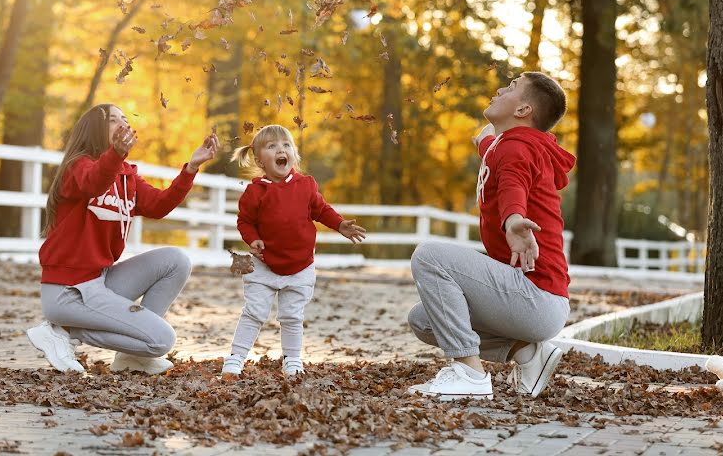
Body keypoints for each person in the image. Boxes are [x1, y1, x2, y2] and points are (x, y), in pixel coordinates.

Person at [407, 72, 576, 400]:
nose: (500, 89)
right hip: (536, 303)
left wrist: (514, 219)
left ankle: (470, 375)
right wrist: (486, 140)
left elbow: (513, 180)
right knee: (424, 320)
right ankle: (528, 353)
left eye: (511, 88)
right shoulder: (509, 145)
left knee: (429, 257)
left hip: (535, 296)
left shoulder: (516, 148)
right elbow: (496, 153)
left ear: (523, 110)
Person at [25, 103, 219, 375]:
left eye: (125, 119)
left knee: (176, 261)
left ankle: (131, 358)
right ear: (95, 129)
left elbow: (158, 206)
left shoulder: (127, 176)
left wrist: (191, 169)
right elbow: (94, 181)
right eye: (112, 120)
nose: (122, 124)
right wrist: (115, 154)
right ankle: (64, 331)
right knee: (162, 340)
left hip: (100, 280)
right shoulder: (76, 168)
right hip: (68, 291)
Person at [220, 124, 366, 378]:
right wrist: (252, 239)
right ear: (259, 160)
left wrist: (340, 224)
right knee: (254, 312)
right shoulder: (255, 192)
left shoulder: (306, 185)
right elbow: (244, 221)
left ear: (293, 154)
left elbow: (322, 210)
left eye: (286, 145)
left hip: (300, 266)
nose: (281, 149)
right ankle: (236, 358)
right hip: (264, 265)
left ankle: (292, 360)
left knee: (291, 316)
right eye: (272, 146)